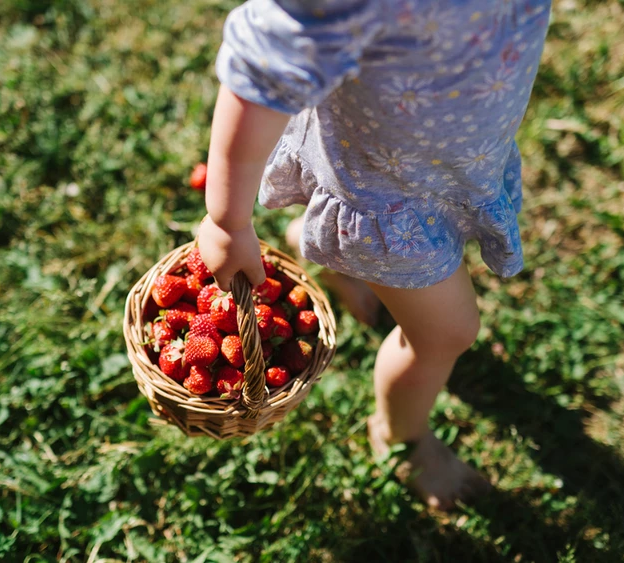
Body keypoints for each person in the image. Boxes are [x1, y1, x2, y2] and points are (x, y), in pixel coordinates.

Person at [197, 0, 552, 510]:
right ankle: (400, 436)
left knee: (440, 320)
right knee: (446, 334)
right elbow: (261, 69)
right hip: (385, 200)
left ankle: (325, 252)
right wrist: (228, 219)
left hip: (451, 159)